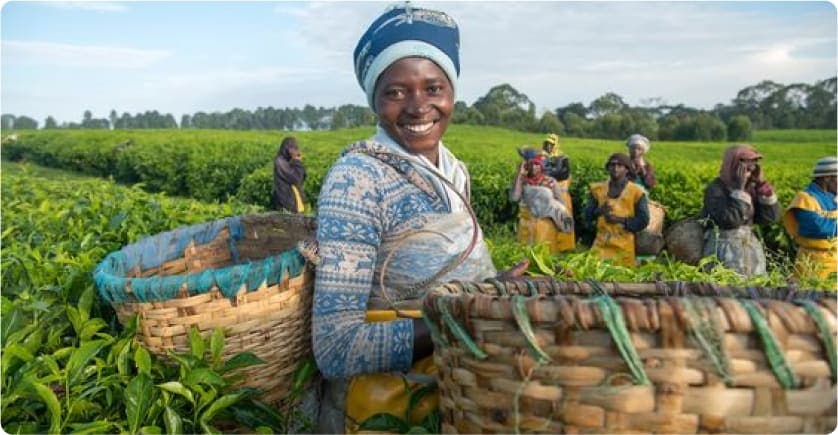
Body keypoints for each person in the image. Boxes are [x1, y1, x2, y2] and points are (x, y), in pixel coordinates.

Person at [312, 4, 525, 432]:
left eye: (433, 88)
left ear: (452, 93)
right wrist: (463, 314)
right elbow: (335, 347)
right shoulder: (358, 178)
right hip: (384, 412)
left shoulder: (453, 168)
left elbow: (443, 277)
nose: (418, 106)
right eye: (395, 92)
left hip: (457, 396)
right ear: (374, 99)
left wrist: (492, 288)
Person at [701, 144, 780, 277]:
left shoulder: (751, 188)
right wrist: (739, 189)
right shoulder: (716, 189)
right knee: (727, 287)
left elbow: (770, 218)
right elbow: (730, 220)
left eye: (753, 166)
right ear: (733, 165)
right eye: (745, 166)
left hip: (749, 251)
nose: (749, 171)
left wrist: (762, 186)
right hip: (723, 250)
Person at [584, 153, 650, 267]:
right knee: (592, 272)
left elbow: (643, 220)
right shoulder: (598, 190)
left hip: (623, 246)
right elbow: (587, 215)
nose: (615, 168)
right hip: (601, 244)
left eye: (620, 165)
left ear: (627, 170)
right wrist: (599, 211)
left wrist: (620, 220)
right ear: (608, 168)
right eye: (612, 165)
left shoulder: (636, 192)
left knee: (622, 277)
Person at [782, 156, 837, 280]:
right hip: (814, 263)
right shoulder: (805, 198)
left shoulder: (833, 197)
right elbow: (818, 228)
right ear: (827, 178)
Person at [510, 151, 574, 253]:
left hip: (546, 226)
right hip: (527, 226)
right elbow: (515, 197)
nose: (533, 167)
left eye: (536, 164)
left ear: (541, 166)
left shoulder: (550, 182)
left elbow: (560, 204)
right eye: (531, 164)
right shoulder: (522, 181)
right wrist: (519, 173)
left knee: (545, 256)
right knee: (525, 257)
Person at [272, 136, 306, 213]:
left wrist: (297, 162)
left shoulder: (290, 161)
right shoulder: (280, 162)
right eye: (292, 148)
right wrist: (297, 162)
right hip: (286, 204)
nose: (295, 151)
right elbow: (295, 178)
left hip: (294, 203)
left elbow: (302, 177)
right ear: (286, 148)